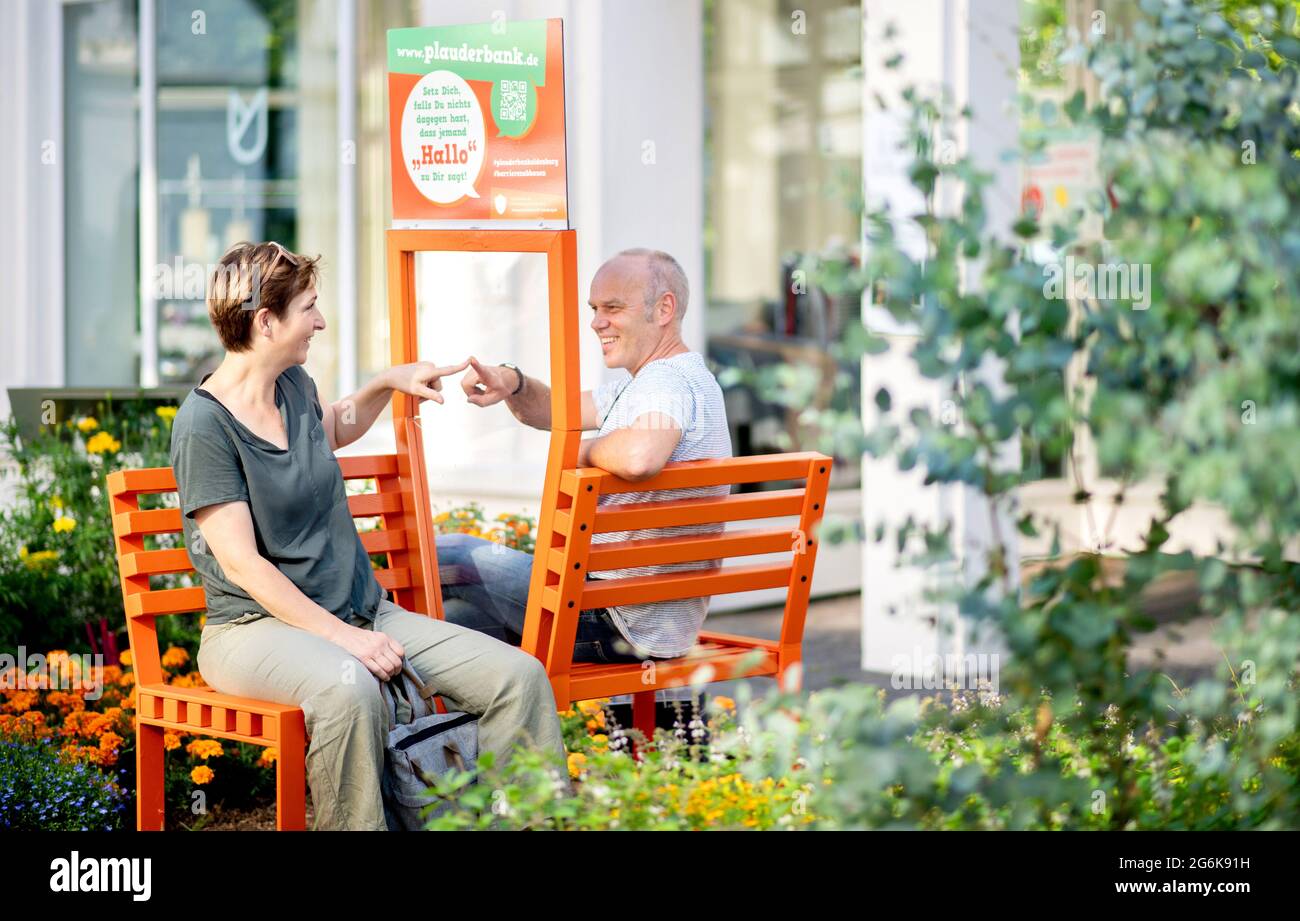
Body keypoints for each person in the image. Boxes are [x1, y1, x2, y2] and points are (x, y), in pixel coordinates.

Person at [174, 241, 565, 831]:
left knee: (519, 678)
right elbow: (242, 566)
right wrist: (345, 641)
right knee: (348, 689)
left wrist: (388, 381)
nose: (321, 322)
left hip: (361, 614)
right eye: (309, 308)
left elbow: (332, 427)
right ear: (264, 321)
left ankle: (534, 824)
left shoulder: (293, 385)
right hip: (252, 631)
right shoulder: (204, 425)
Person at [439, 248, 732, 663]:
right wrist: (514, 381)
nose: (596, 322)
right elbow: (552, 411)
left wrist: (582, 450)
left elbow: (639, 455)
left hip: (611, 617)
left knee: (443, 554)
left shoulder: (665, 382)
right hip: (653, 625)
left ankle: (339, 647)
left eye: (613, 308)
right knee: (458, 621)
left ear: (664, 308)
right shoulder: (662, 382)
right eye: (595, 308)